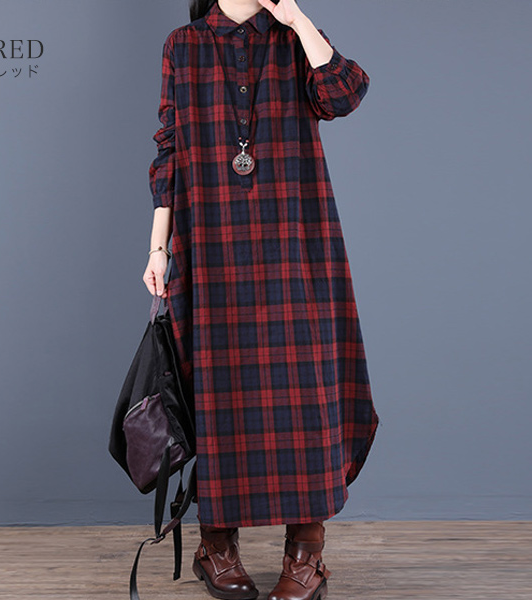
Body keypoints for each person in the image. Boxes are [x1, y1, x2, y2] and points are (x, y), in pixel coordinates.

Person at [143, 0, 380, 598]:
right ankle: (216, 546)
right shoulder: (183, 45)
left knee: (305, 391)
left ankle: (306, 553)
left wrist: (298, 19)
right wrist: (157, 249)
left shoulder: (296, 38)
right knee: (216, 390)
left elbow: (344, 94)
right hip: (212, 240)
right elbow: (170, 150)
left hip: (296, 240)